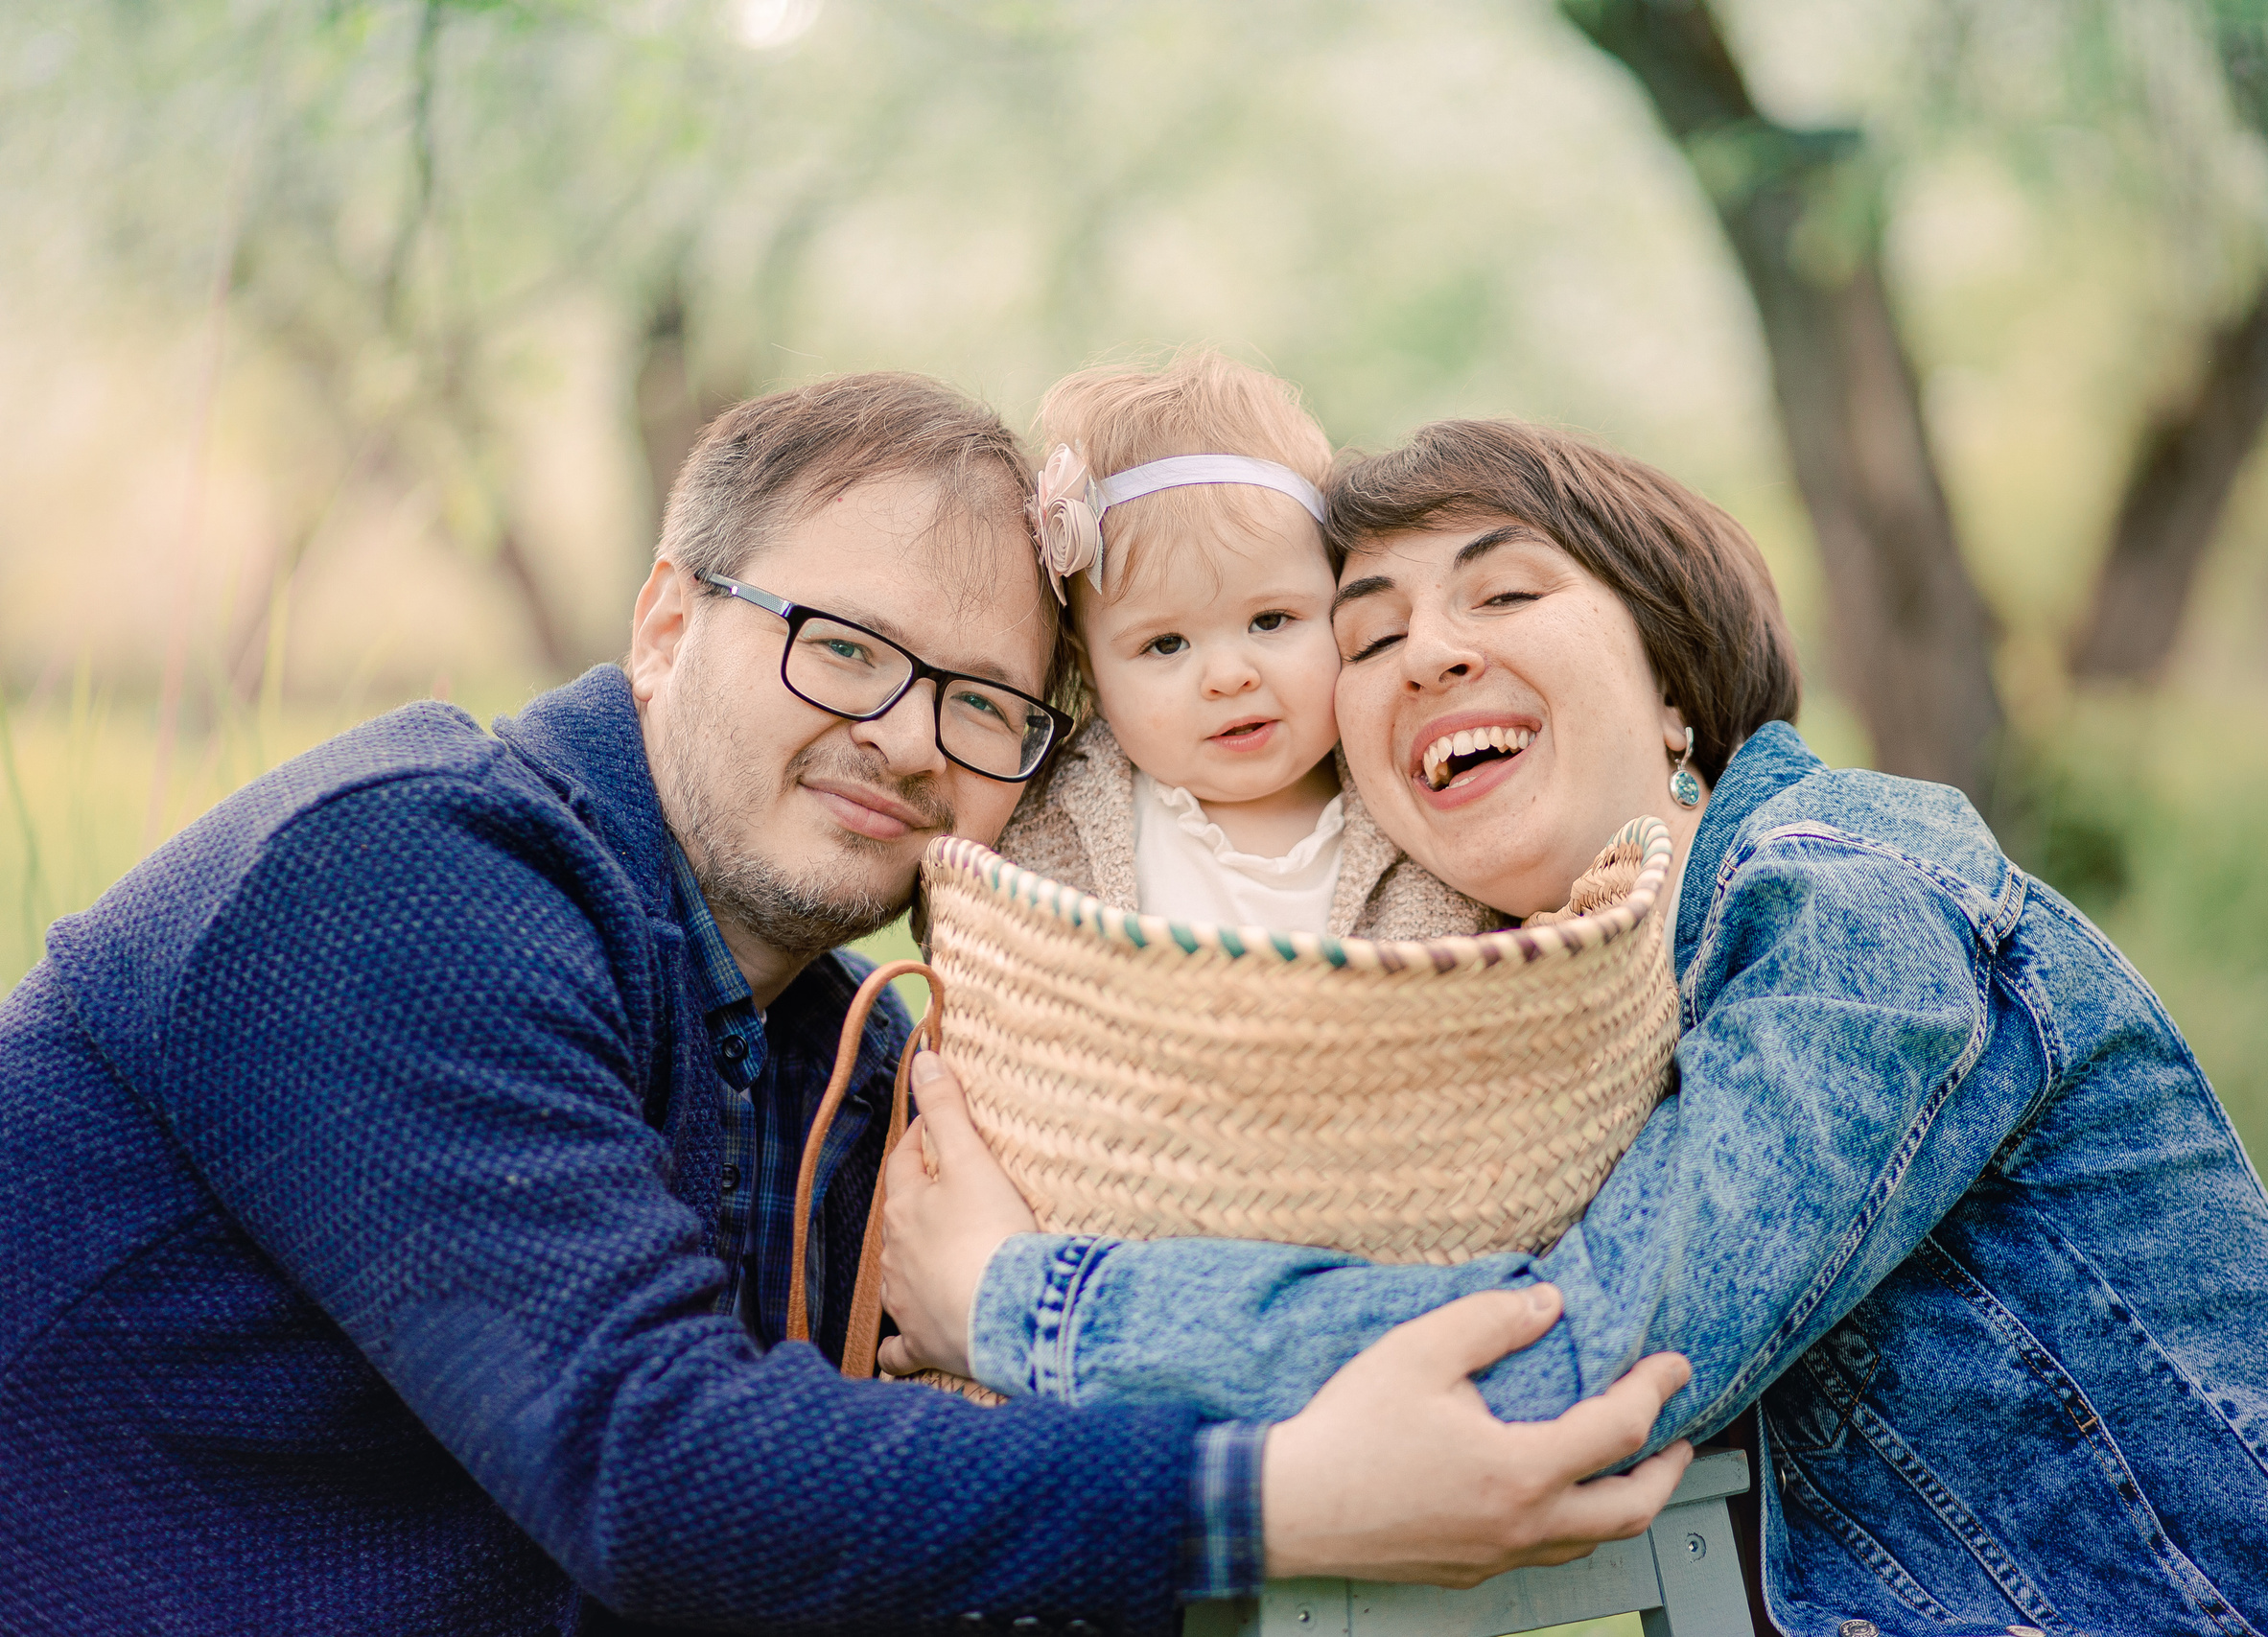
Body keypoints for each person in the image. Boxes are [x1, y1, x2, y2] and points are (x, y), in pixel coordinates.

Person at [0, 381, 1700, 1637]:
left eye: (981, 702)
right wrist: (1272, 1495)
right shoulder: (396, 875)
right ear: (666, 621)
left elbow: (871, 1474)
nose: (906, 737)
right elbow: (657, 1466)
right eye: (842, 647)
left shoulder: (837, 1043)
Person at [881, 419, 2268, 1636]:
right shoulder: (1584, 1042)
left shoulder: (1856, 912)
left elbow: (1567, 1360)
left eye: (1503, 590)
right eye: (1364, 638)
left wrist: (1024, 1297)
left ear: (1671, 691)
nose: (1426, 650)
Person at [994, 350, 1488, 939]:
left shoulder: (1424, 800)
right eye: (1167, 643)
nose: (1229, 677)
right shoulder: (1044, 834)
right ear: (1091, 671)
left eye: (1271, 620)